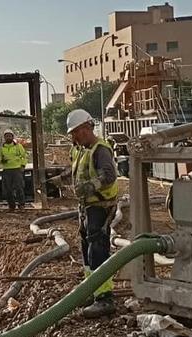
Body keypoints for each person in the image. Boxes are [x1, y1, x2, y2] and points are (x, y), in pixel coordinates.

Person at [66, 109, 119, 318]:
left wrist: (91, 186)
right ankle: (91, 289)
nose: (73, 137)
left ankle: (104, 297)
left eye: (75, 132)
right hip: (87, 207)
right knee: (86, 248)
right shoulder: (81, 150)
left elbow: (110, 175)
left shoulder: (100, 149)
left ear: (86, 128)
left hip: (100, 206)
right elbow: (78, 172)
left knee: (97, 250)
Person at [0, 129, 28, 210]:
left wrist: (22, 165)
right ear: (4, 137)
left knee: (19, 187)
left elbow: (24, 156)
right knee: (8, 189)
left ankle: (21, 204)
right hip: (6, 170)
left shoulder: (18, 146)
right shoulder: (1, 148)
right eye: (6, 136)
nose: (8, 137)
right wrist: (1, 160)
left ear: (12, 137)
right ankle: (11, 205)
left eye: (9, 136)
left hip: (16, 169)